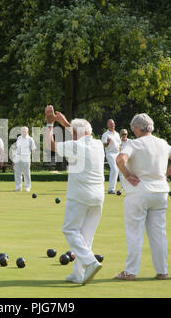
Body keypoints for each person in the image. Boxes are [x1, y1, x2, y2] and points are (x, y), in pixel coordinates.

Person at [115, 113, 171, 280]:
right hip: (160, 193)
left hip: (138, 192)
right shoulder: (162, 143)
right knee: (159, 233)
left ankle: (131, 272)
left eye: (133, 128)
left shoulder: (134, 144)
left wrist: (127, 175)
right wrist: (164, 174)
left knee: (134, 233)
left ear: (138, 128)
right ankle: (162, 271)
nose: (132, 131)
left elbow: (120, 160)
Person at [44, 105, 104, 285]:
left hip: (79, 195)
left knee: (70, 230)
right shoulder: (99, 144)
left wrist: (49, 124)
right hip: (98, 197)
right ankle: (78, 274)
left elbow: (50, 145)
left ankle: (91, 261)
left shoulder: (75, 146)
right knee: (86, 237)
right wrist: (64, 123)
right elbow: (80, 133)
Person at [13, 127, 36, 192]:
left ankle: (27, 187)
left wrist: (30, 155)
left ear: (27, 132)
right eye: (22, 131)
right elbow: (17, 148)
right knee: (17, 173)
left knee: (26, 173)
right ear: (20, 132)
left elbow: (33, 149)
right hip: (18, 158)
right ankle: (18, 187)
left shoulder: (30, 139)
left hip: (26, 158)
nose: (23, 132)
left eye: (25, 131)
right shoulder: (19, 138)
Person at [101, 119, 121, 194]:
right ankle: (111, 189)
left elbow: (119, 145)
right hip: (110, 153)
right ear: (108, 125)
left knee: (118, 171)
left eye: (113, 124)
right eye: (111, 124)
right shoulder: (105, 135)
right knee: (114, 169)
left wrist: (121, 152)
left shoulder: (117, 134)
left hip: (117, 153)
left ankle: (115, 188)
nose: (112, 125)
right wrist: (108, 142)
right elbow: (104, 145)